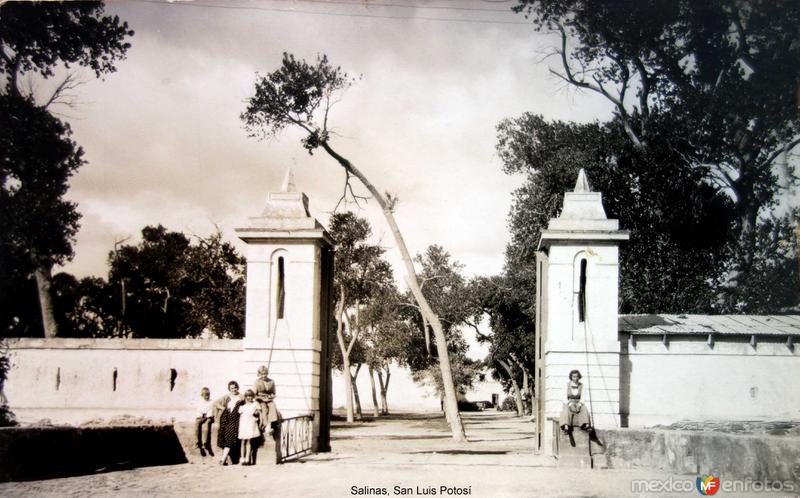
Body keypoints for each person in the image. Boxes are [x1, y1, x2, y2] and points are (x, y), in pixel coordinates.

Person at [214, 380, 244, 465]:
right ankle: (225, 459)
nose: (233, 389)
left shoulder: (241, 397)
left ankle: (223, 459)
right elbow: (215, 403)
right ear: (229, 389)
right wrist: (222, 408)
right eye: (231, 388)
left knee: (230, 438)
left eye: (235, 388)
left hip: (235, 420)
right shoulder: (226, 397)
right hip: (225, 419)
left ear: (237, 388)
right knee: (224, 438)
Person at [253, 365, 279, 434]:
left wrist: (272, 396)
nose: (264, 375)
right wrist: (260, 398)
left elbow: (273, 392)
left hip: (269, 399)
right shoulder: (257, 382)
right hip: (260, 399)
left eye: (265, 374)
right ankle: (266, 426)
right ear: (259, 374)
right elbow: (254, 395)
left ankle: (270, 425)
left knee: (272, 407)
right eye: (262, 374)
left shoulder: (271, 381)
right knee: (264, 409)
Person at [238, 389, 261, 465]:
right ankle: (242, 458)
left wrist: (258, 417)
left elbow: (259, 413)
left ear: (253, 396)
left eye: (250, 396)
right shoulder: (242, 406)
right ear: (245, 397)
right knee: (243, 442)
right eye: (247, 396)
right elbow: (240, 416)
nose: (249, 398)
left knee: (249, 441)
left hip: (251, 423)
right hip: (243, 424)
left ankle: (247, 458)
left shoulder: (255, 404)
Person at [194, 386, 215, 457]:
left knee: (206, 426)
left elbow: (211, 411)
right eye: (205, 395)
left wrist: (207, 416)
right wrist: (201, 416)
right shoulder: (200, 402)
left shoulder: (211, 402)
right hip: (201, 416)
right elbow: (199, 410)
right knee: (197, 425)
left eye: (208, 394)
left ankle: (205, 443)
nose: (207, 396)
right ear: (202, 395)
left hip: (208, 417)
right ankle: (197, 443)